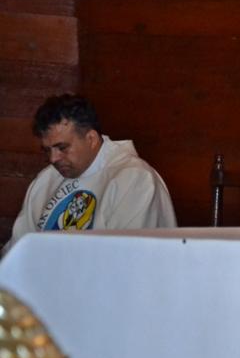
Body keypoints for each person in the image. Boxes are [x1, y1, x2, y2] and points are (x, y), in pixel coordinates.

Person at [5, 94, 177, 251]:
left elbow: (128, 257)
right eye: (47, 150)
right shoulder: (47, 179)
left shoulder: (135, 180)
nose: (53, 158)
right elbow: (18, 250)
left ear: (91, 139)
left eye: (62, 148)